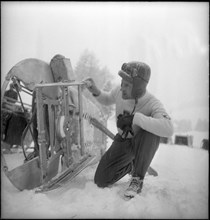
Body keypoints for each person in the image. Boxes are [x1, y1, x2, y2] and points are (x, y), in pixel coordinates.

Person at [84, 61, 174, 199]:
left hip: (140, 143)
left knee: (151, 131)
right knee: (100, 180)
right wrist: (95, 90)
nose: (122, 88)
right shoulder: (120, 92)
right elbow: (108, 98)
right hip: (122, 142)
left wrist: (136, 119)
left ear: (138, 87)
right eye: (122, 83)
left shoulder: (152, 103)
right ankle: (131, 165)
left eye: (127, 85)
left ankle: (137, 179)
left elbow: (168, 128)